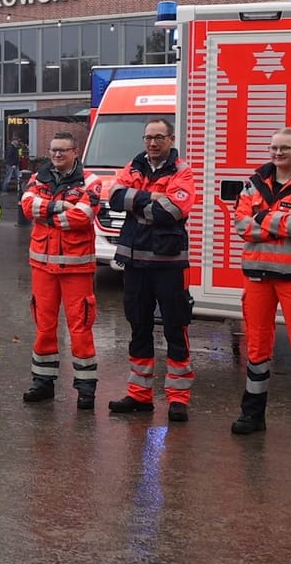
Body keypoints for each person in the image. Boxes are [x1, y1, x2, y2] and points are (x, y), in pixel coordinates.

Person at [230, 128, 291, 448]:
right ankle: (253, 415)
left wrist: (261, 218)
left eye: (285, 148)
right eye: (273, 147)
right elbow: (241, 225)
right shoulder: (253, 183)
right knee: (256, 349)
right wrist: (276, 221)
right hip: (257, 277)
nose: (278, 153)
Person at [106, 118, 196, 421]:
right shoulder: (133, 166)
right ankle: (140, 395)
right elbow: (114, 197)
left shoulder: (182, 171)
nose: (152, 143)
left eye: (158, 137)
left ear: (171, 138)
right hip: (135, 264)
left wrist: (137, 202)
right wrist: (151, 197)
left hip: (169, 265)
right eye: (148, 138)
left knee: (175, 328)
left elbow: (172, 210)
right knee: (138, 328)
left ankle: (178, 398)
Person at [19, 131, 104, 407]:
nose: (56, 155)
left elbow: (83, 216)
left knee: (80, 328)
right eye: (53, 150)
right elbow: (26, 206)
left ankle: (86, 389)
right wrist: (58, 206)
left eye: (62, 151)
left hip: (75, 270)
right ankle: (43, 382)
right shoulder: (38, 177)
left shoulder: (91, 181)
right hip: (42, 267)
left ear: (75, 152)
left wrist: (45, 214)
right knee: (44, 326)